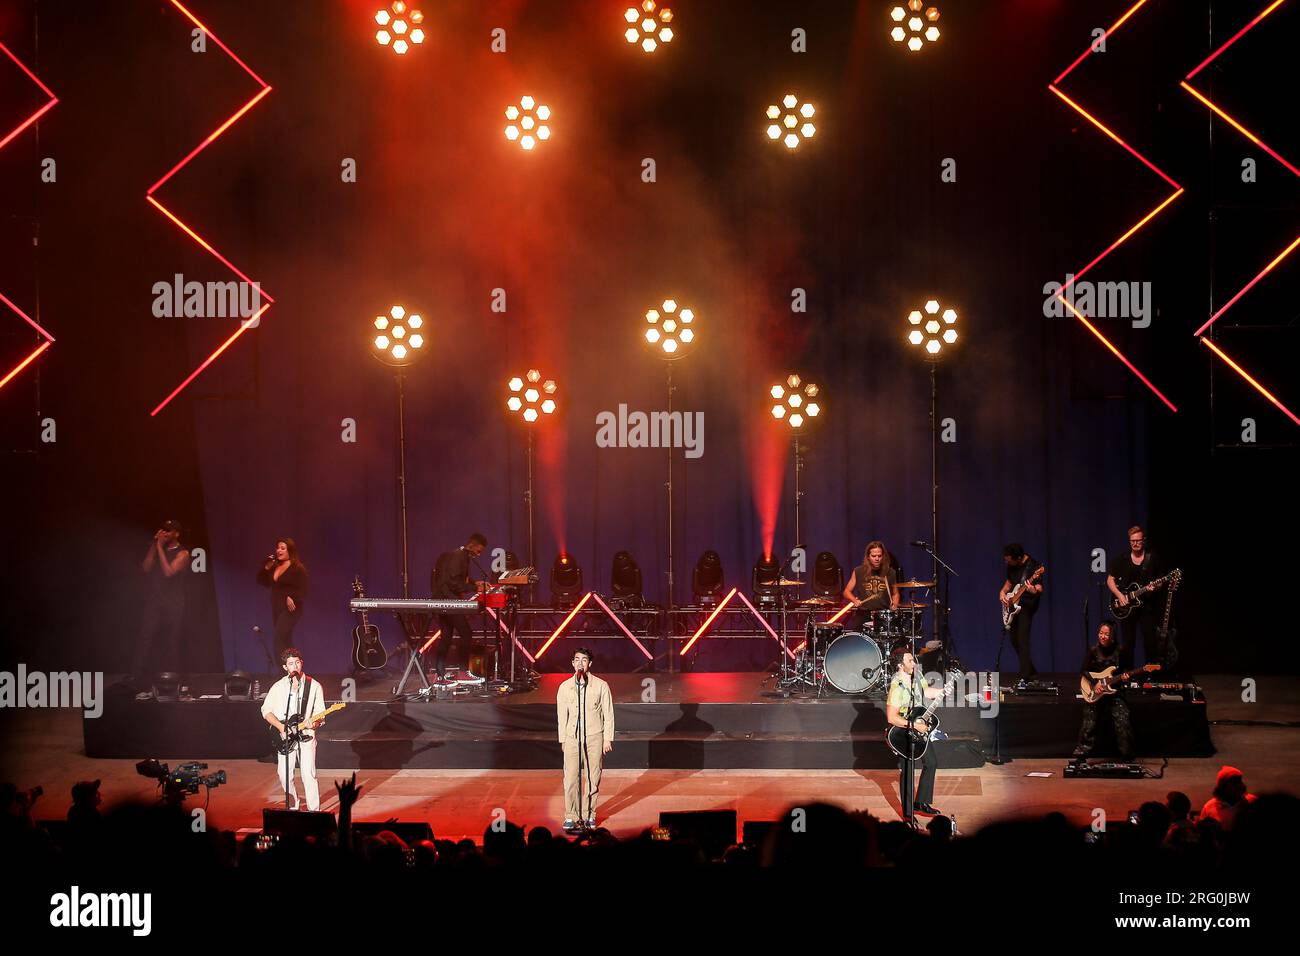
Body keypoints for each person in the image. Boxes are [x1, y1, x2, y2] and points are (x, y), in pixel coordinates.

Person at [260, 648, 328, 812]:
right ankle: (293, 803)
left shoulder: (314, 686)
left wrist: (315, 723)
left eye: (297, 662)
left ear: (301, 663)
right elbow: (266, 710)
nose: (295, 666)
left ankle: (314, 811)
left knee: (308, 775)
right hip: (284, 736)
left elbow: (320, 714)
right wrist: (280, 726)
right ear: (285, 667)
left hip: (306, 735)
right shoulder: (278, 687)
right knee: (284, 775)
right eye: (291, 663)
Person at [556, 647, 614, 833]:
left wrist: (607, 739)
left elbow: (608, 714)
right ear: (572, 663)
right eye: (577, 660)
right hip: (573, 737)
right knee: (571, 778)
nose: (580, 663)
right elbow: (561, 716)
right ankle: (571, 815)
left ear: (590, 663)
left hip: (594, 736)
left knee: (592, 777)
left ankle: (589, 814)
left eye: (584, 660)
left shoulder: (601, 685)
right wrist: (563, 739)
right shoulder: (565, 687)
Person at [885, 648, 943, 820]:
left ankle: (921, 803)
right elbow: (891, 717)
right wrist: (912, 726)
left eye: (914, 660)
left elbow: (926, 692)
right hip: (904, 732)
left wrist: (942, 691)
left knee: (931, 762)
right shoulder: (897, 686)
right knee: (908, 770)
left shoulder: (917, 676)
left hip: (918, 725)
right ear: (900, 665)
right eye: (910, 661)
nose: (914, 663)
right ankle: (908, 813)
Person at [1106, 525, 1168, 671]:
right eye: (1132, 541)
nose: (1135, 544)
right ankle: (1127, 675)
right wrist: (1120, 596)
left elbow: (1160, 581)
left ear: (1143, 541)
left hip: (1147, 607)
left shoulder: (1152, 559)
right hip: (1127, 608)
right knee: (1128, 643)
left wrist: (1155, 587)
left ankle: (1151, 675)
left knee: (1150, 642)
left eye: (1138, 541)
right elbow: (1110, 579)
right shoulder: (1121, 559)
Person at [133, 520, 190, 676]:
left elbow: (168, 573)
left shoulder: (183, 553)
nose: (165, 533)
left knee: (172, 639)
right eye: (164, 530)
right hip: (156, 599)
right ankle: (136, 674)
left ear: (177, 534)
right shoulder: (158, 549)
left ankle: (172, 677)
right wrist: (154, 545)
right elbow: (146, 567)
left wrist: (159, 547)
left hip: (174, 601)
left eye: (169, 531)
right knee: (145, 636)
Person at [1072, 620, 1134, 762]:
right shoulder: (1093, 650)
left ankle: (1127, 757)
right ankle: (1081, 755)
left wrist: (1125, 677)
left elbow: (1127, 670)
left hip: (1115, 692)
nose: (1103, 636)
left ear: (1112, 635)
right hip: (1096, 690)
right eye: (1101, 633)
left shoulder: (1120, 650)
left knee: (1123, 721)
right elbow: (1083, 670)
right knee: (1089, 723)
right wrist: (1095, 684)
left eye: (1106, 634)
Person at [430, 533, 487, 681]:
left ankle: (439, 672)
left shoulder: (460, 556)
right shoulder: (459, 557)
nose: (478, 554)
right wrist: (475, 588)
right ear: (472, 545)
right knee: (466, 633)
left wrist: (475, 583)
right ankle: (463, 671)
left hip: (444, 600)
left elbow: (458, 578)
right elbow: (453, 583)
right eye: (478, 551)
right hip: (448, 600)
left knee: (446, 636)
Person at [257, 539, 309, 662]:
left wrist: (292, 596)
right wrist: (266, 568)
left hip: (291, 609)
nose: (279, 550)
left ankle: (283, 673)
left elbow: (303, 589)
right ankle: (295, 672)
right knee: (286, 641)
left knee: (278, 640)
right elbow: (262, 581)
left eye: (282, 548)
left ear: (289, 550)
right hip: (277, 608)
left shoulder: (297, 568)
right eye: (278, 548)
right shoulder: (275, 566)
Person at [999, 543, 1044, 679]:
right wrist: (1002, 592)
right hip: (1014, 605)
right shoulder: (1012, 566)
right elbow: (1009, 583)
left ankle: (1025, 676)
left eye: (1008, 560)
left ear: (1018, 558)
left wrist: (1033, 590)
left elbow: (1039, 588)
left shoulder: (1034, 567)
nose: (1006, 562)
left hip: (1027, 606)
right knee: (1014, 640)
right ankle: (1031, 670)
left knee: (1023, 639)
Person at [843, 540, 899, 631]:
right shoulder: (858, 571)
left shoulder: (890, 572)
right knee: (859, 641)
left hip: (882, 614)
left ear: (883, 556)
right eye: (873, 556)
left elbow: (895, 593)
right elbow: (846, 592)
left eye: (879, 556)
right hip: (863, 613)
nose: (877, 559)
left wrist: (895, 605)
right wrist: (854, 600)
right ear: (868, 557)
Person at [1200, 766, 1255, 832]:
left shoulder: (1253, 802)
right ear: (1222, 786)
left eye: (1239, 781)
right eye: (1234, 783)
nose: (1239, 785)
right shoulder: (1209, 807)